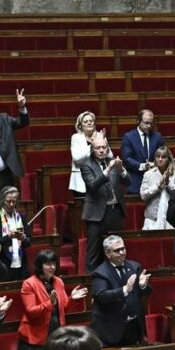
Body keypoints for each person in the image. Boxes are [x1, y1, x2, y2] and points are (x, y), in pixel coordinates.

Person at [16, 250, 88, 350]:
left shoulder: (58, 281)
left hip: (56, 333)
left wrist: (72, 299)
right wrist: (49, 304)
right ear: (40, 265)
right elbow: (31, 312)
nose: (52, 267)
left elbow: (64, 308)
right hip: (36, 336)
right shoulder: (29, 284)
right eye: (48, 264)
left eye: (54, 263)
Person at [80, 131, 128, 271]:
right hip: (96, 215)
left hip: (115, 212)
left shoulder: (113, 162)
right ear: (92, 149)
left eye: (104, 148)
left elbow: (127, 181)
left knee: (117, 250)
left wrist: (122, 170)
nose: (101, 150)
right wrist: (107, 170)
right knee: (94, 252)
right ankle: (92, 284)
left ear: (108, 148)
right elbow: (93, 186)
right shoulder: (86, 165)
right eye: (97, 148)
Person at [90, 236, 150, 347]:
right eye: (117, 250)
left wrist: (142, 286)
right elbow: (102, 296)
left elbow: (146, 293)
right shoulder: (100, 273)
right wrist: (124, 290)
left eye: (123, 248)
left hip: (133, 329)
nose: (122, 252)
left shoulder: (135, 267)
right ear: (108, 253)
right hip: (111, 331)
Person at [0, 186, 32, 281]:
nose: (11, 204)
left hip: (21, 262)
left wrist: (23, 238)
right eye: (8, 201)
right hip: (3, 262)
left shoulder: (20, 216)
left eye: (14, 201)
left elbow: (29, 241)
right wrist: (8, 237)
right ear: (2, 200)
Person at [68, 111, 112, 198]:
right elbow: (77, 159)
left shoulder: (100, 135)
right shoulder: (76, 137)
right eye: (85, 121)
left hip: (98, 177)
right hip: (80, 181)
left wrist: (104, 142)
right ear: (80, 125)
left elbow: (110, 156)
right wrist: (92, 144)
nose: (89, 123)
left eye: (91, 121)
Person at [121, 109, 163, 196]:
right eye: (146, 123)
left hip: (154, 182)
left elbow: (163, 155)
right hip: (135, 182)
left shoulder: (157, 137)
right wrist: (143, 166)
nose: (149, 126)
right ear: (138, 121)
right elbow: (127, 158)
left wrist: (155, 164)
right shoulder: (128, 137)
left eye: (151, 123)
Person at [140, 146, 175, 231]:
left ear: (169, 159)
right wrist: (158, 186)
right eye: (157, 156)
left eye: (163, 157)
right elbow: (143, 195)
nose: (160, 159)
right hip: (153, 218)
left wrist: (168, 184)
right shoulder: (148, 174)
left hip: (170, 216)